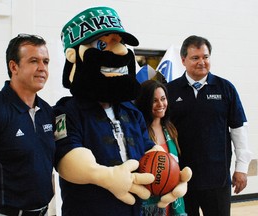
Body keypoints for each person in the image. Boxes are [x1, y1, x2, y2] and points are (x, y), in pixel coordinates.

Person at [53, 6, 191, 216]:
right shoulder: (68, 110)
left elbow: (148, 149)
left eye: (119, 43)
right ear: (74, 56)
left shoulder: (131, 111)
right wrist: (104, 176)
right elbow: (66, 158)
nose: (118, 52)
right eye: (102, 44)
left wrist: (171, 176)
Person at [0, 34, 56, 216]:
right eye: (34, 61)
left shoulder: (47, 112)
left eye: (46, 62)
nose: (42, 68)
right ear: (14, 66)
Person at [166, 35, 252, 216]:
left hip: (217, 179)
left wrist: (241, 168)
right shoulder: (170, 91)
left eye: (205, 57)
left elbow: (238, 129)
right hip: (181, 179)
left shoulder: (225, 88)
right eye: (195, 58)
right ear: (183, 60)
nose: (201, 62)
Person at [135, 79, 187, 216]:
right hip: (147, 203)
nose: (161, 104)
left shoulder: (169, 129)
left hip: (170, 201)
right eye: (154, 100)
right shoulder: (138, 132)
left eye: (163, 99)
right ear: (145, 103)